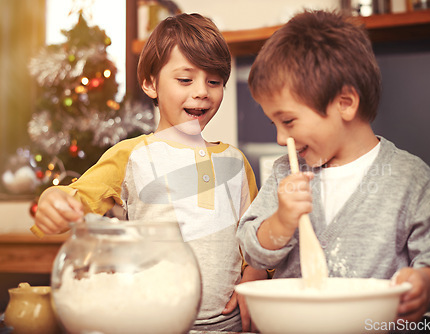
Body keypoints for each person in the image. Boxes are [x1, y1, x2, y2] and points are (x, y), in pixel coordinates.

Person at [34, 13, 267, 332]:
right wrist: (53, 199)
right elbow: (75, 197)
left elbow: (254, 236)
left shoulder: (236, 161)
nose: (202, 91)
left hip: (230, 325)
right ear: (150, 84)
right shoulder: (131, 155)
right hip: (152, 322)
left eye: (214, 81)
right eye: (185, 79)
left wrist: (254, 275)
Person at [236, 10, 430, 322]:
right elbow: (251, 251)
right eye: (274, 123)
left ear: (345, 103)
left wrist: (426, 282)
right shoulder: (286, 173)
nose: (281, 138)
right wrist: (280, 222)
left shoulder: (408, 178)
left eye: (288, 121)